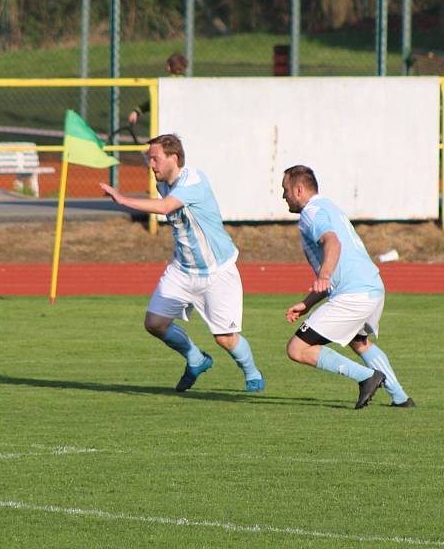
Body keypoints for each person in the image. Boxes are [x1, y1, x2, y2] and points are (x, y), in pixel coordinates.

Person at [100, 133, 264, 393]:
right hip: (182, 269)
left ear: (174, 158)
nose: (150, 165)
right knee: (154, 323)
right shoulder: (163, 183)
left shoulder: (194, 180)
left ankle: (251, 372)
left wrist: (122, 199)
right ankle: (196, 359)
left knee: (225, 338)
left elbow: (166, 208)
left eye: (155, 159)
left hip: (216, 271)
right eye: (149, 159)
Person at [281, 165, 414, 409]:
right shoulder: (330, 207)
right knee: (359, 342)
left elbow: (332, 242)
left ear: (298, 189)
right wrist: (307, 302)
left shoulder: (312, 212)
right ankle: (400, 397)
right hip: (372, 287)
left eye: (285, 190)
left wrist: (325, 274)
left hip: (353, 295)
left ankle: (366, 377)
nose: (283, 196)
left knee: (297, 349)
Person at [127, 53, 187, 127]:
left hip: (166, 124)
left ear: (168, 67)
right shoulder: (190, 84)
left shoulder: (165, 84)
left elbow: (154, 101)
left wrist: (137, 111)